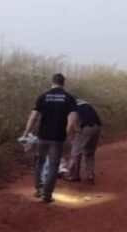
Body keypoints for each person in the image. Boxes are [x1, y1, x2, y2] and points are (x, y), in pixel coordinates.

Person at [21, 73, 79, 203]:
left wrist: (26, 132)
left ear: (52, 82)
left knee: (40, 162)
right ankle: (47, 194)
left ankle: (38, 190)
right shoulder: (69, 98)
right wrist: (68, 133)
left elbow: (34, 117)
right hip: (57, 137)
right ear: (64, 83)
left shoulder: (43, 96)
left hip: (43, 135)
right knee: (53, 165)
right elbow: (73, 118)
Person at [65, 99, 102, 182]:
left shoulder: (71, 106)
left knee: (75, 152)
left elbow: (72, 121)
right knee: (89, 152)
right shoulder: (85, 103)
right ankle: (90, 174)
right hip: (97, 126)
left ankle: (72, 175)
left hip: (86, 128)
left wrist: (69, 135)